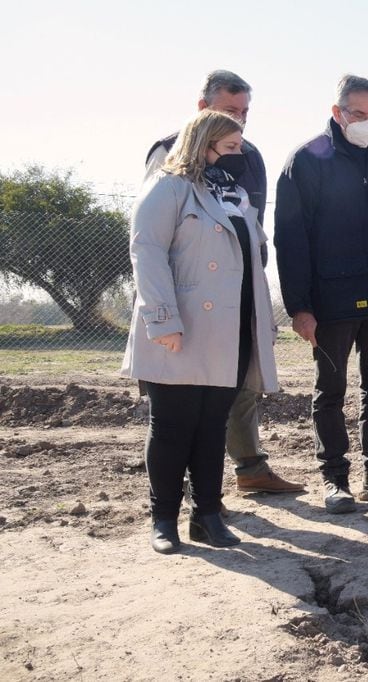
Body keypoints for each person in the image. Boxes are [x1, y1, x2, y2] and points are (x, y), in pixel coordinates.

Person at [123, 109, 280, 553]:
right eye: (229, 147)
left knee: (212, 427)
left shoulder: (234, 194)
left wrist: (261, 322)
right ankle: (164, 520)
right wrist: (163, 320)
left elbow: (252, 263)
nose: (237, 156)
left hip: (231, 330)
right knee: (172, 427)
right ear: (203, 143)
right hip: (181, 329)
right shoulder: (167, 186)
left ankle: (208, 515)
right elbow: (146, 252)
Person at [144, 69, 303, 497]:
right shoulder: (167, 154)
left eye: (244, 111)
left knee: (241, 386)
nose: (241, 119)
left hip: (243, 289)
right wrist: (166, 315)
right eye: (230, 110)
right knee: (187, 408)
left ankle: (246, 470)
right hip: (194, 299)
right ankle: (181, 503)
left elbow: (254, 222)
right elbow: (155, 240)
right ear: (202, 108)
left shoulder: (249, 155)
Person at [274, 73, 368, 514]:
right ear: (336, 112)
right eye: (358, 114)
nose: (367, 122)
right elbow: (291, 238)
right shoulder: (306, 160)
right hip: (331, 302)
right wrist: (300, 306)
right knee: (331, 391)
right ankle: (334, 478)